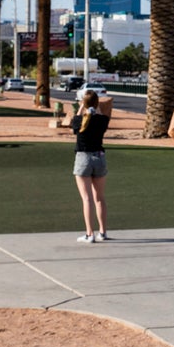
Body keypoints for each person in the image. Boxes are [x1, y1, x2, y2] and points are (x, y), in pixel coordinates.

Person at [72, 90, 109, 244]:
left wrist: (82, 107)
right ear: (96, 103)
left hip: (83, 158)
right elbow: (100, 116)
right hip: (99, 158)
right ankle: (103, 232)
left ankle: (89, 234)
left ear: (84, 103)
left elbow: (76, 122)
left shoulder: (79, 120)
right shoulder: (102, 120)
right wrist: (96, 108)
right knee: (99, 198)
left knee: (87, 199)